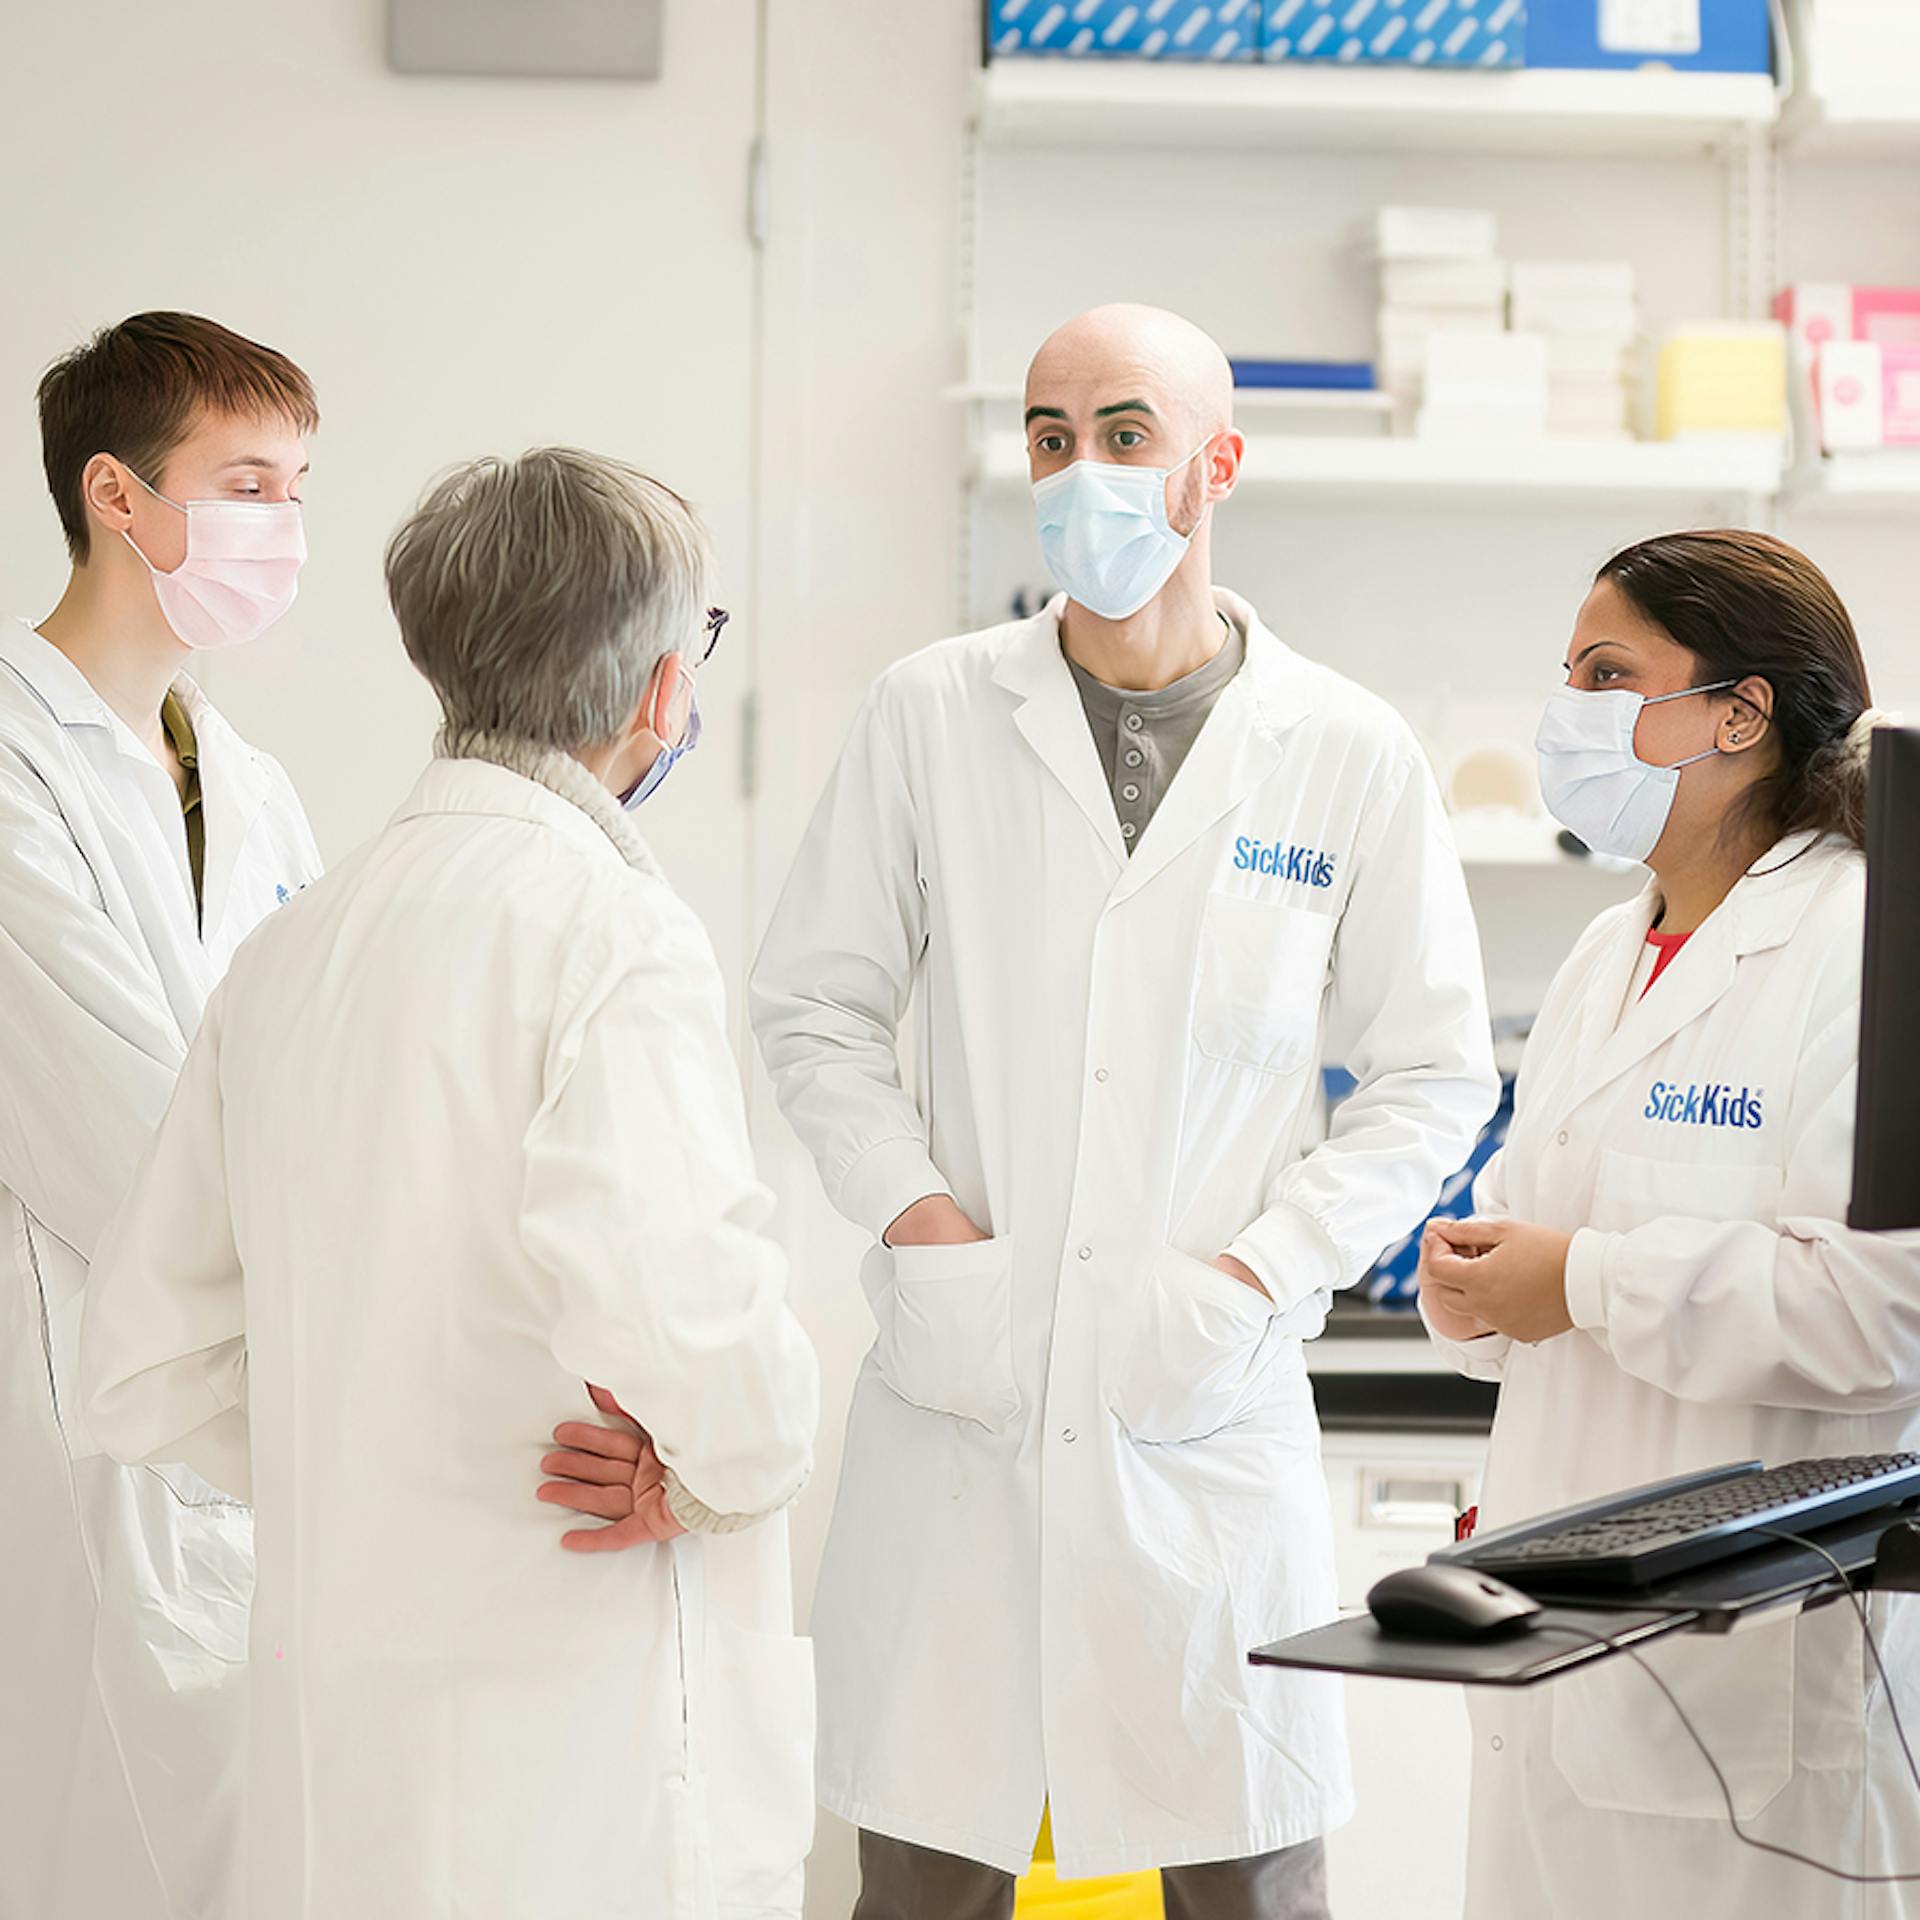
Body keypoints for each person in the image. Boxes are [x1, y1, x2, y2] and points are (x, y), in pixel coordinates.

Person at [750, 304, 1500, 1915]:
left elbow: (1435, 1071)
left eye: (1124, 432)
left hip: (1201, 1408)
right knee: (924, 1884)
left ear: (1215, 464)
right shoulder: (930, 713)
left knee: (1248, 1880)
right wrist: (923, 1217)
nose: (1078, 466)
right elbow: (811, 1002)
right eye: (1048, 434)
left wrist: (1257, 1273)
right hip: (971, 1399)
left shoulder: (1347, 753)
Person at [80, 448, 822, 1920]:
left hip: (343, 1718)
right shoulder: (609, 932)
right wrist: (723, 1472)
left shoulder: (299, 947)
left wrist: (353, 1438)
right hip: (566, 1712)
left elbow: (148, 1364)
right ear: (661, 691)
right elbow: (701, 1329)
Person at [1418, 529, 1920, 1916]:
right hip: (1545, 1639)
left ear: (1740, 711)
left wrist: (1581, 1283)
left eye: (1608, 671)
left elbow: (1885, 1315)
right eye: (1566, 671)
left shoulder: (1867, 946)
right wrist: (1472, 1285)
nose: (1566, 709)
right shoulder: (1604, 948)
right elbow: (1531, 1218)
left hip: (1749, 1696)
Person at [0, 311, 322, 1919]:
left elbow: (331, 1067)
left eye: (299, 488)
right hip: (82, 1397)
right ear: (117, 496)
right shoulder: (9, 760)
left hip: (237, 1403)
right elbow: (125, 1132)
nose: (288, 529)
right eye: (249, 483)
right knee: (99, 1845)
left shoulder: (247, 781)